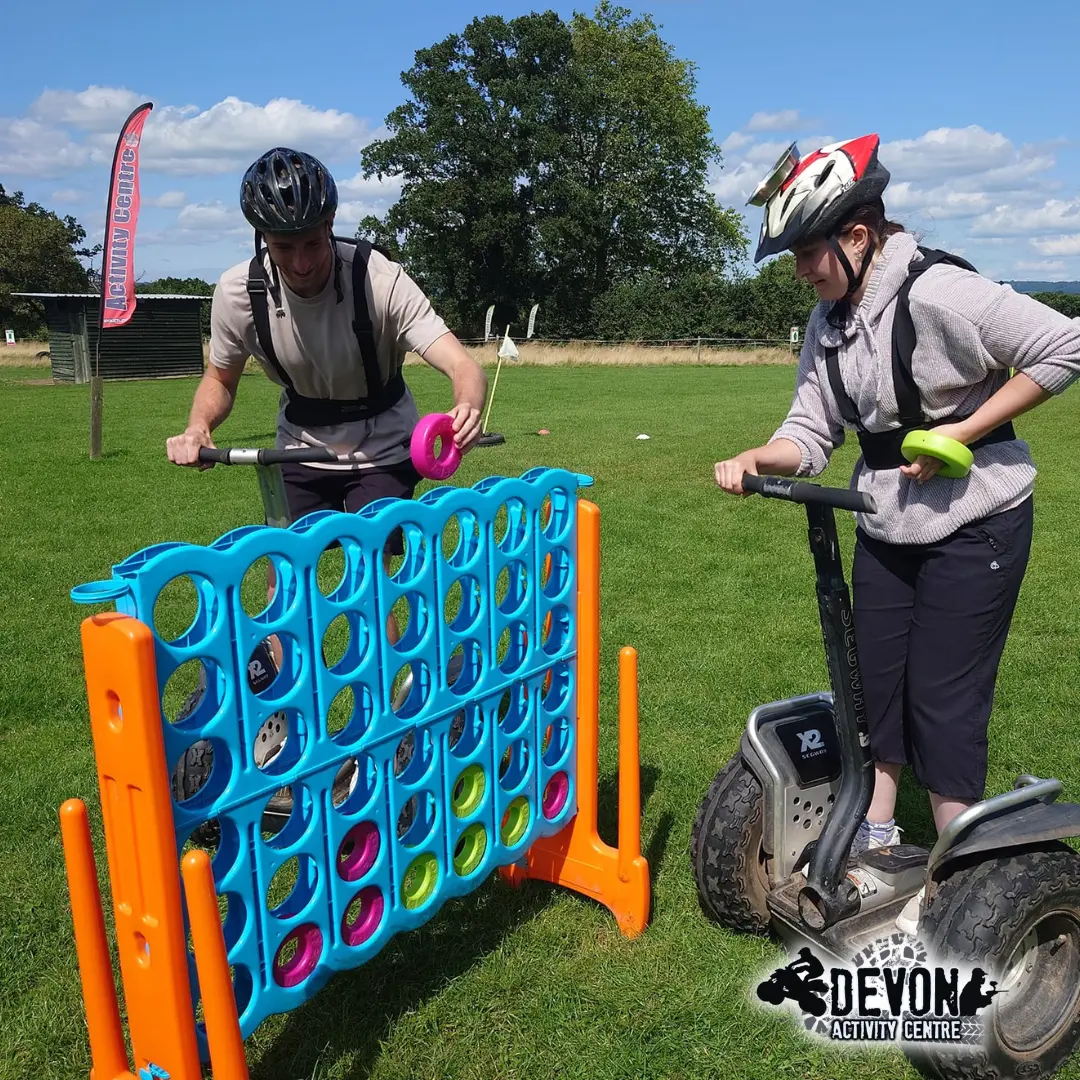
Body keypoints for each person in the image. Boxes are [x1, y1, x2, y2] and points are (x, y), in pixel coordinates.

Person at [714, 134, 1080, 935]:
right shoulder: (828, 322)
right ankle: (877, 829)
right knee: (876, 686)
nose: (801, 271)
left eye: (809, 252)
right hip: (884, 518)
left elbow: (1066, 344)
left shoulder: (939, 292)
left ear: (857, 235)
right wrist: (756, 456)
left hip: (976, 518)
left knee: (945, 701)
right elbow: (810, 431)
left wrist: (965, 429)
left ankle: (967, 867)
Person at [166, 146, 487, 562]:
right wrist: (198, 427)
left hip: (383, 450)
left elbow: (462, 364)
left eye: (312, 244)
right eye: (283, 248)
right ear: (261, 237)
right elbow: (220, 378)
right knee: (285, 578)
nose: (300, 264)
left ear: (331, 224)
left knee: (369, 578)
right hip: (299, 446)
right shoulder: (237, 293)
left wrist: (466, 406)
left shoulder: (379, 279)